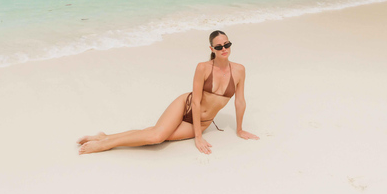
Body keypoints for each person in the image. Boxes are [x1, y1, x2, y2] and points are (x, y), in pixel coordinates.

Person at [78, 30, 259, 155]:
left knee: (155, 135)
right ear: (212, 49)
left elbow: (240, 101)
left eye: (226, 44)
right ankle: (105, 145)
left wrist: (240, 129)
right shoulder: (203, 68)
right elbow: (195, 102)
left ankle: (105, 136)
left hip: (203, 121)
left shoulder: (239, 70)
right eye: (218, 47)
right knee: (157, 135)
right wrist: (198, 137)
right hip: (185, 104)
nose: (224, 49)